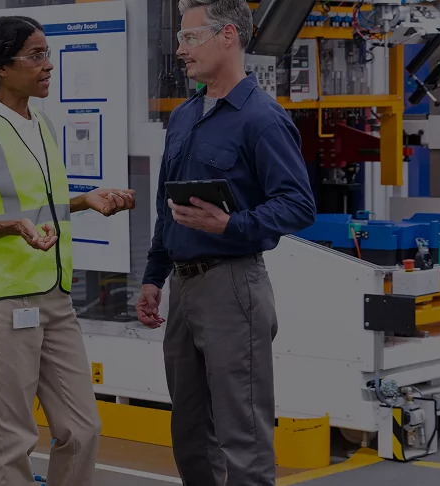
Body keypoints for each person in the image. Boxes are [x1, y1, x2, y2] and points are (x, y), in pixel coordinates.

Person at [0, 14, 137, 486]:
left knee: (83, 429)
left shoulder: (39, 124)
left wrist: (84, 200)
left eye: (49, 54)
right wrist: (12, 225)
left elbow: (37, 205)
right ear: (3, 67)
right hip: (7, 302)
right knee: (13, 438)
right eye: (37, 55)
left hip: (54, 295)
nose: (49, 65)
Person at [136, 1, 316, 485]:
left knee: (243, 436)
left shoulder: (261, 118)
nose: (179, 49)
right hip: (183, 287)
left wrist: (230, 225)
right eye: (180, 37)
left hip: (233, 287)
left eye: (190, 38)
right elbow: (166, 207)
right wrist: (154, 277)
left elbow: (299, 204)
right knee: (191, 434)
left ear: (228, 36)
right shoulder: (185, 116)